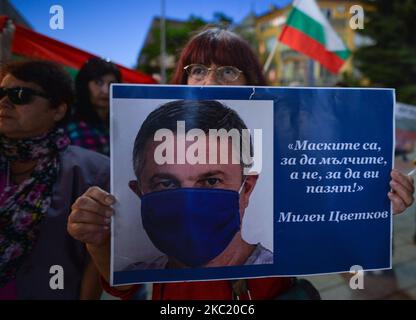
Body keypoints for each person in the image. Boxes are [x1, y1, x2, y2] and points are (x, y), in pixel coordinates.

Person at [67, 27, 414, 300]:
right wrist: (99, 240)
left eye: (228, 71)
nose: (210, 81)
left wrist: (374, 203)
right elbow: (122, 286)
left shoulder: (288, 147)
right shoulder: (152, 143)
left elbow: (330, 219)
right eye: (198, 69)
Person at [0, 60, 110, 299]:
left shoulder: (93, 172)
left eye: (21, 95)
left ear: (58, 109)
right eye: (1, 93)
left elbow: (95, 259)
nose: (5, 102)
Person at [122, 99, 270, 270]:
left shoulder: (283, 274)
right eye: (166, 184)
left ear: (246, 190)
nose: (189, 208)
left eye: (211, 181)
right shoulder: (135, 276)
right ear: (139, 192)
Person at [66, 57, 121, 156]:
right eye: (98, 83)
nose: (106, 91)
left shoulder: (120, 121)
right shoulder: (71, 123)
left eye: (111, 84)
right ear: (84, 85)